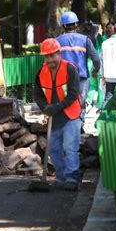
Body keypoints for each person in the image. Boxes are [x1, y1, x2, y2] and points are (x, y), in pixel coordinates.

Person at [34, 38, 81, 191]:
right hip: (54, 117)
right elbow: (38, 94)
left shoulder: (70, 69)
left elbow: (73, 94)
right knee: (54, 149)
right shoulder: (42, 72)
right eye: (47, 56)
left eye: (53, 55)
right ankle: (61, 178)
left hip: (70, 114)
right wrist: (45, 108)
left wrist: (57, 107)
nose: (50, 60)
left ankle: (72, 179)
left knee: (69, 148)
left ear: (59, 54)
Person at [56, 11, 101, 121]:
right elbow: (96, 59)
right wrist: (96, 70)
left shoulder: (57, 41)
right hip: (81, 78)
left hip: (63, 78)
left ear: (63, 26)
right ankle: (79, 124)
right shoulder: (85, 40)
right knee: (80, 102)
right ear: (76, 25)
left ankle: (65, 123)